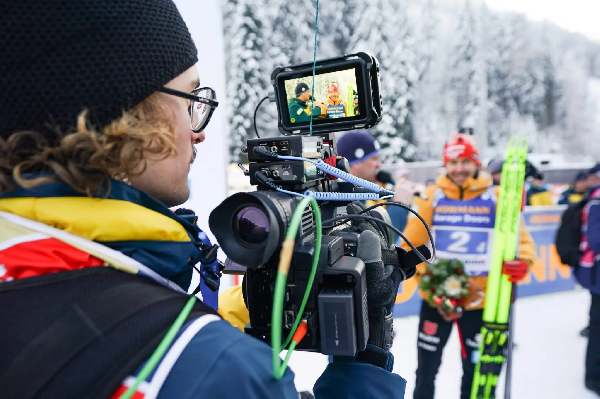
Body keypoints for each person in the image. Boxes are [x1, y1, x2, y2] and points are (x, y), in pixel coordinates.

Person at [0, 1, 408, 398]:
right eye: (191, 100)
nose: (199, 132)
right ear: (126, 118)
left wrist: (258, 303)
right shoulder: (217, 368)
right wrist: (364, 368)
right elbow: (202, 364)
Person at [401, 133, 537, 399]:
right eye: (452, 162)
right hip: (437, 302)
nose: (459, 168)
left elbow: (522, 240)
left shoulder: (497, 197)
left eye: (465, 161)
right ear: (445, 166)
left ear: (476, 163)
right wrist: (430, 284)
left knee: (474, 372)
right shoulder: (431, 197)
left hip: (481, 301)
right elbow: (411, 247)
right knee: (426, 371)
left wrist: (523, 261)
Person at [336, 130, 414, 237]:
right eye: (374, 159)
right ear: (357, 163)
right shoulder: (340, 198)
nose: (379, 165)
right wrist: (399, 206)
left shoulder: (371, 190)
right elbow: (379, 244)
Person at [577, 163, 600, 395]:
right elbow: (595, 240)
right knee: (597, 327)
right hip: (598, 279)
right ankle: (593, 377)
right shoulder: (596, 202)